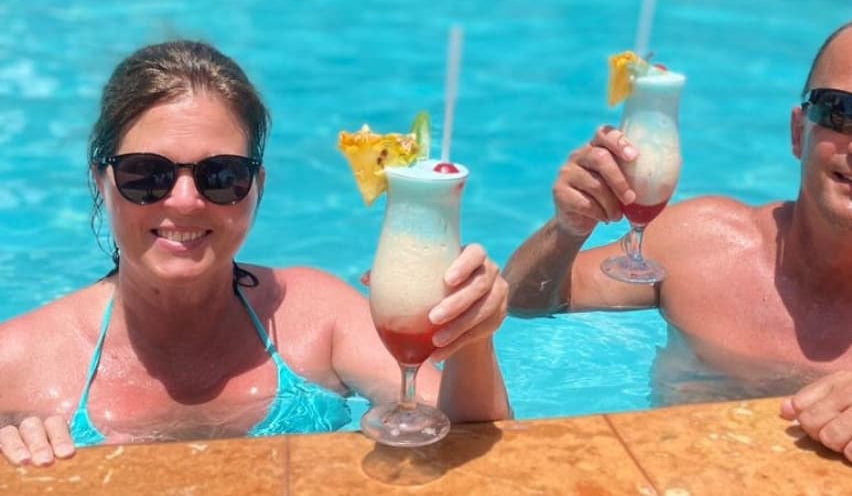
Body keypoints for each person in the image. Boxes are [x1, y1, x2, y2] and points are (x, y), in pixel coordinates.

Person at [505, 11, 852, 466]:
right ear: (800, 130)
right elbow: (526, 302)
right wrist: (568, 229)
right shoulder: (699, 243)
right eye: (842, 111)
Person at [0, 41, 513, 467]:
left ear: (256, 188)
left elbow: (471, 446)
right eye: (146, 175)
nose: (184, 200)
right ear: (103, 181)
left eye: (221, 175)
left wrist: (470, 335)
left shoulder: (318, 319)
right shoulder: (17, 364)